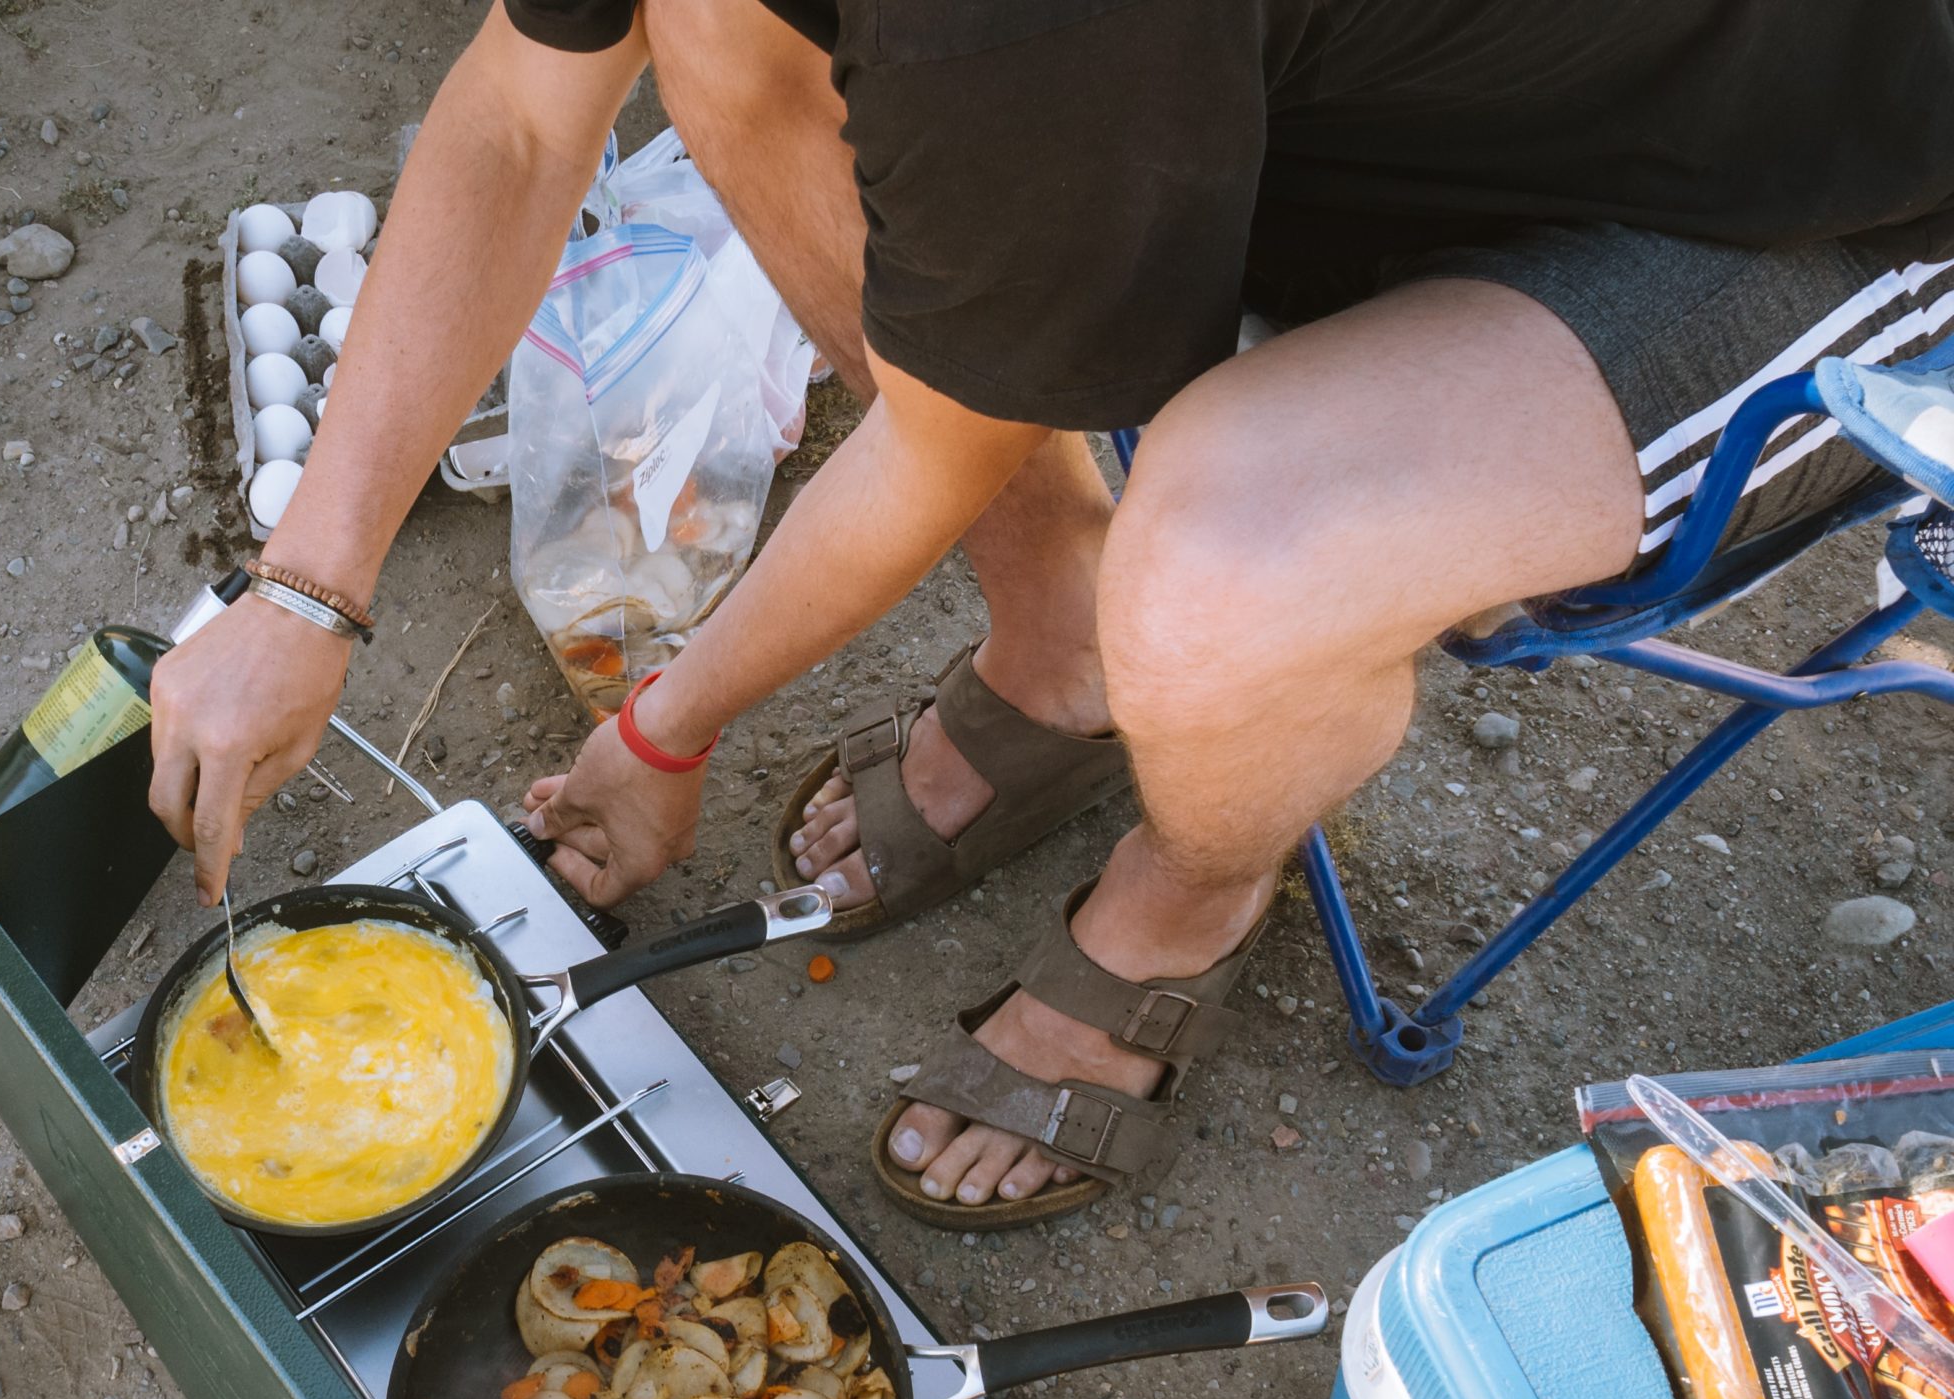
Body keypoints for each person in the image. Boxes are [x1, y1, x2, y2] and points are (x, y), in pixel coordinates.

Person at [151, 0, 1954, 1227]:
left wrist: (663, 728)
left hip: (1793, 184)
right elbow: (523, 112)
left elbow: (943, 437)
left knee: (1232, 558)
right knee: (719, 24)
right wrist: (310, 581)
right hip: (1377, 90)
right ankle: (1064, 648)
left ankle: (1189, 895)